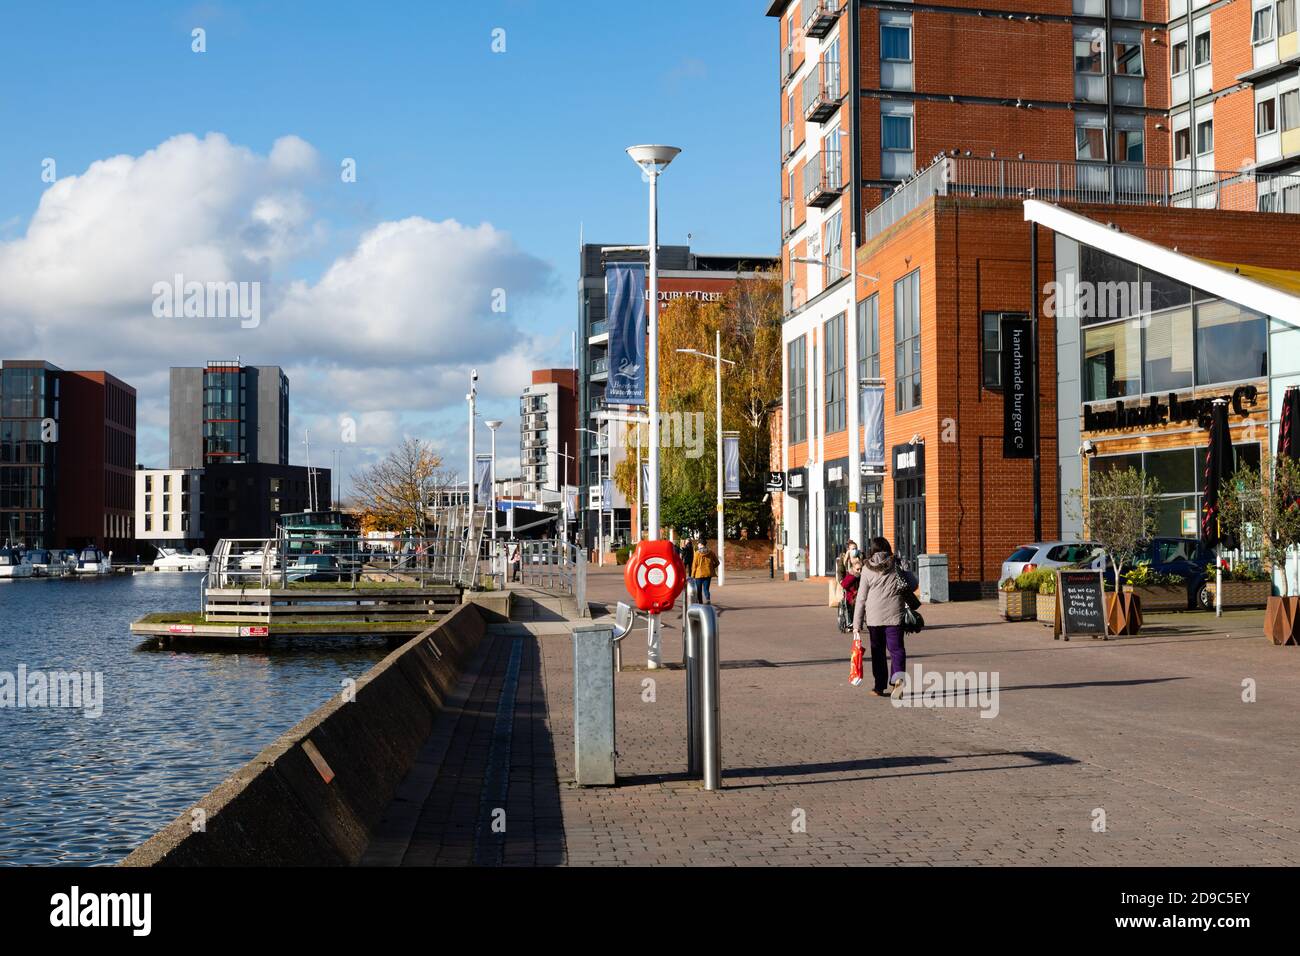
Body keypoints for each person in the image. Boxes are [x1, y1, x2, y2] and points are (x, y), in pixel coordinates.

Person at [851, 537, 919, 699]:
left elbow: (861, 598)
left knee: (878, 652)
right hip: (895, 615)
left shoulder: (867, 568)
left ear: (872, 550)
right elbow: (913, 584)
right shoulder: (897, 564)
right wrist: (905, 569)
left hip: (874, 617)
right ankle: (898, 682)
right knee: (897, 650)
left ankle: (879, 686)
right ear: (888, 548)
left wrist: (856, 624)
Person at [691, 540, 719, 605]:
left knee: (699, 590)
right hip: (708, 573)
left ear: (701, 544)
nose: (697, 545)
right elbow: (717, 562)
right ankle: (708, 599)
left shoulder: (697, 553)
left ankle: (700, 603)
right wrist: (711, 568)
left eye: (698, 544)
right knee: (706, 589)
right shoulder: (711, 552)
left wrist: (692, 575)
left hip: (699, 574)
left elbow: (694, 565)